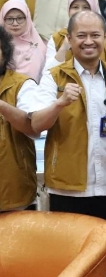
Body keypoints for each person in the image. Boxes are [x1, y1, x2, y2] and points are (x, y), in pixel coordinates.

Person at [29, 11, 106, 277]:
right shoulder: (53, 76)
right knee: (69, 262)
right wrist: (59, 103)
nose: (89, 41)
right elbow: (36, 124)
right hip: (67, 189)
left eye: (95, 35)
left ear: (105, 38)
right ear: (69, 39)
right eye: (81, 35)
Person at [0, 25, 40, 212]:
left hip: (15, 194)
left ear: (5, 52)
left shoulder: (22, 85)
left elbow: (32, 128)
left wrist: (2, 106)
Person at [44, 0, 106, 70]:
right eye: (75, 7)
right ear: (68, 10)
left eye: (85, 7)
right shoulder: (57, 38)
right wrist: (64, 48)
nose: (80, 11)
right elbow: (47, 72)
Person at [0, 0, 46, 83]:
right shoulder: (1, 48)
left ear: (28, 19)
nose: (15, 23)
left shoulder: (39, 48)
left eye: (20, 18)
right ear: (3, 21)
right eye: (9, 19)